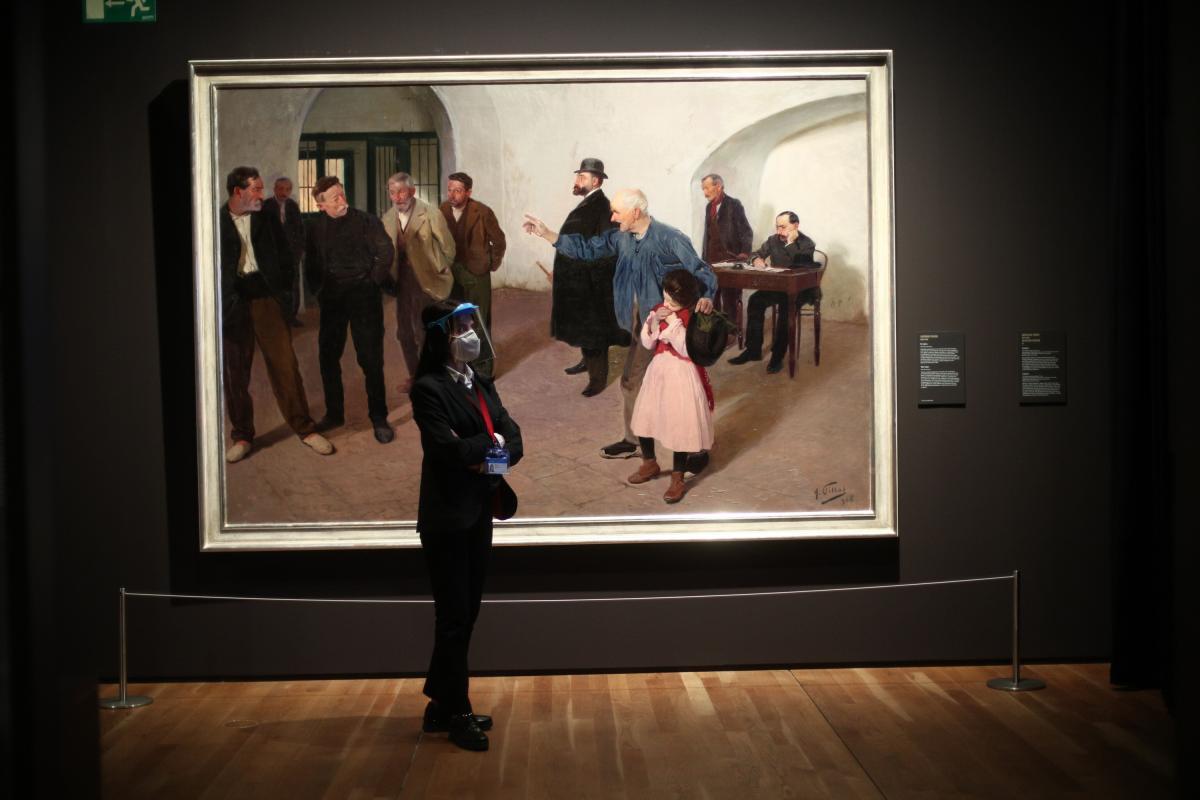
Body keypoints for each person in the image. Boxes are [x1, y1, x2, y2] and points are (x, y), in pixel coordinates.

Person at [524, 188, 717, 460]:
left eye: (617, 212)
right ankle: (641, 442)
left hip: (671, 324)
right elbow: (587, 248)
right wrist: (547, 234)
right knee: (639, 382)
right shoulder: (622, 237)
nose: (612, 218)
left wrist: (706, 297)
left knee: (666, 385)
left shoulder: (670, 238)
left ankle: (681, 447)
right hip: (644, 321)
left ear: (635, 212)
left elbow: (701, 271)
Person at [411, 299, 523, 752]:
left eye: (469, 324)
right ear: (442, 335)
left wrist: (485, 451)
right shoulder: (428, 389)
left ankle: (441, 705)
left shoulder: (481, 381)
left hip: (479, 510)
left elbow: (514, 439)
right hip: (447, 519)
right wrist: (488, 444)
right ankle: (457, 711)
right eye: (460, 327)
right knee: (454, 616)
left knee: (467, 613)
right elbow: (447, 450)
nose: (469, 333)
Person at [219, 166, 333, 463]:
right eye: (256, 189)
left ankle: (305, 429)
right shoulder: (215, 222)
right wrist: (225, 301)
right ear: (238, 192)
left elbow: (285, 256)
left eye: (261, 189)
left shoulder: (267, 216)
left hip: (266, 299)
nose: (262, 194)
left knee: (285, 365)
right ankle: (242, 435)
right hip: (233, 302)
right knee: (235, 373)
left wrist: (282, 294)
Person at [304, 176, 396, 443]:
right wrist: (319, 292)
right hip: (332, 299)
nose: (342, 200)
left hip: (364, 297)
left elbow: (386, 252)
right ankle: (335, 414)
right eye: (335, 198)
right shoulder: (315, 227)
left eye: (342, 194)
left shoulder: (367, 221)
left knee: (370, 358)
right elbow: (311, 265)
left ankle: (379, 417)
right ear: (321, 205)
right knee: (328, 357)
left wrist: (372, 281)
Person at [628, 270, 715, 503]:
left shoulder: (694, 316)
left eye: (672, 302)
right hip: (659, 372)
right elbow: (647, 343)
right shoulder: (659, 309)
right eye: (665, 297)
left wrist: (674, 323)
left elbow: (689, 350)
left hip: (682, 374)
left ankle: (678, 477)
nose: (666, 304)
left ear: (687, 300)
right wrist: (655, 321)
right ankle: (650, 462)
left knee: (680, 428)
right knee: (646, 418)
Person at [549, 158, 628, 397]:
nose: (577, 180)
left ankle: (597, 379)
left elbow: (606, 249)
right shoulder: (588, 203)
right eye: (578, 176)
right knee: (582, 327)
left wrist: (589, 277)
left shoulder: (603, 206)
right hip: (578, 281)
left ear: (596, 181)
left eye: (582, 177)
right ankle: (586, 362)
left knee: (594, 331)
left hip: (592, 284)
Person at [381, 171, 456, 391]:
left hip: (427, 280)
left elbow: (449, 249)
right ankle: (415, 375)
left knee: (424, 330)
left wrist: (438, 269)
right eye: (392, 193)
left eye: (401, 192)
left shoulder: (430, 213)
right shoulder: (388, 217)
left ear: (412, 191)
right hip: (402, 281)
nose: (397, 197)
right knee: (404, 332)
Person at [727, 211, 818, 373]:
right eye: (777, 227)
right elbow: (755, 253)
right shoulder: (773, 240)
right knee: (755, 301)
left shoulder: (807, 243)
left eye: (783, 227)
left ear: (795, 226)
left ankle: (777, 356)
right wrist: (756, 259)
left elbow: (801, 265)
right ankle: (753, 350)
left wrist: (790, 244)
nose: (779, 231)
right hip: (779, 287)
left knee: (786, 309)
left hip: (800, 290)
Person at [439, 172, 506, 377]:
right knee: (455, 320)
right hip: (452, 273)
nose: (452, 194)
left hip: (477, 273)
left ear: (468, 192)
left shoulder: (482, 211)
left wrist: (490, 264)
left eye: (458, 190)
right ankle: (459, 365)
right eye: (450, 189)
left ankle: (483, 370)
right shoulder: (442, 210)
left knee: (479, 320)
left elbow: (499, 240)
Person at [699, 174, 754, 315]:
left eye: (707, 188)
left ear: (718, 187)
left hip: (730, 261)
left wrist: (744, 253)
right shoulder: (708, 207)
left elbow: (746, 231)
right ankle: (715, 329)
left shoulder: (734, 205)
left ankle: (731, 328)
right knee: (712, 301)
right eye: (703, 189)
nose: (704, 193)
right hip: (711, 263)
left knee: (730, 302)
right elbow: (708, 236)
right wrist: (704, 261)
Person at [260, 176, 306, 325]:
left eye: (287, 189)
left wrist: (299, 251)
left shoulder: (293, 206)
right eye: (280, 189)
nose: (283, 192)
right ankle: (275, 318)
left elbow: (299, 230)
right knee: (274, 286)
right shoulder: (266, 206)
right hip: (273, 255)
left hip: (291, 254)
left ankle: (291, 317)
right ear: (274, 189)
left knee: (292, 285)